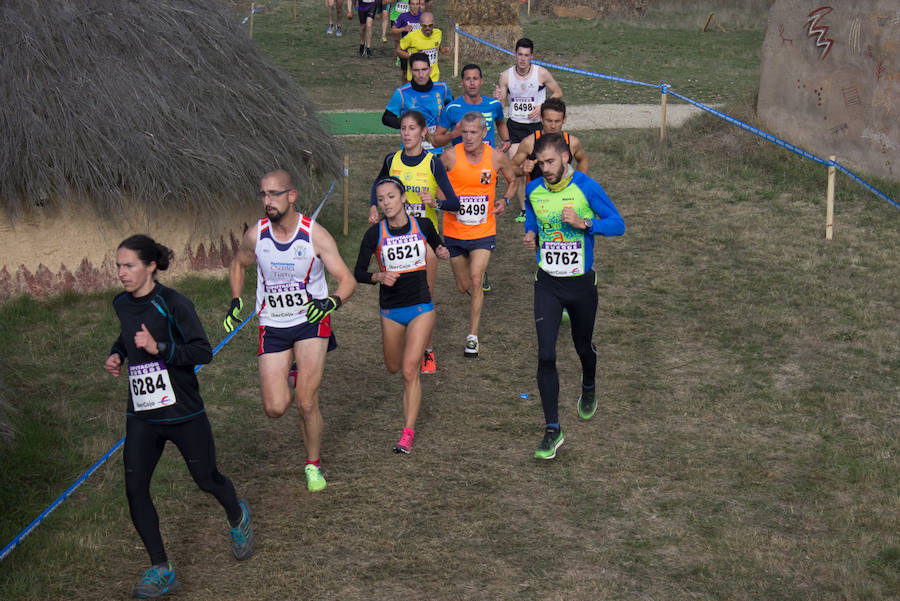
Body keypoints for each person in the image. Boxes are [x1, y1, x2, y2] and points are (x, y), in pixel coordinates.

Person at [105, 235, 254, 599]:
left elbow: (203, 351)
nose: (121, 273)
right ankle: (161, 568)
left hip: (183, 412)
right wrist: (117, 354)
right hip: (142, 415)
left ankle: (237, 514)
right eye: (118, 266)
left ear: (151, 265)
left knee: (207, 479)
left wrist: (161, 349)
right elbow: (128, 336)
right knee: (135, 490)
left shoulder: (173, 303)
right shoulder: (122, 304)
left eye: (129, 266)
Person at [224, 169, 356, 492]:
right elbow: (239, 263)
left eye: (273, 194)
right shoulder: (257, 235)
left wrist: (331, 303)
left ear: (291, 196)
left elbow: (347, 280)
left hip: (311, 321)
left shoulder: (315, 236)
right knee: (275, 407)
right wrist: (235, 300)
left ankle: (313, 465)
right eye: (263, 195)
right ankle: (295, 372)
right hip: (274, 324)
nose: (267, 201)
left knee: (306, 403)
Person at [522, 133, 624, 460]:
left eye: (550, 162)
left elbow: (618, 224)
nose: (546, 169)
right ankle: (553, 429)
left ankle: (589, 383)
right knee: (546, 354)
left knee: (583, 346)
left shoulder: (586, 186)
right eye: (540, 163)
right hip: (547, 284)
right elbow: (532, 210)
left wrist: (585, 223)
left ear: (566, 157)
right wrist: (531, 231)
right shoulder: (532, 189)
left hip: (581, 285)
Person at [354, 176, 450, 453]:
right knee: (394, 367)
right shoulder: (374, 234)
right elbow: (358, 272)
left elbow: (437, 245)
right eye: (381, 199)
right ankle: (412, 365)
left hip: (421, 306)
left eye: (391, 197)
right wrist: (379, 276)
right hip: (391, 311)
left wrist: (442, 250)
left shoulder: (423, 225)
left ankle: (407, 433)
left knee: (409, 370)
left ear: (403, 198)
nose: (386, 203)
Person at [369, 110, 459, 373]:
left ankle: (427, 350)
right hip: (394, 240)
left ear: (423, 133)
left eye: (411, 129)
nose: (406, 134)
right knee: (396, 290)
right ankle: (401, 339)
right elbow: (378, 184)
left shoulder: (433, 163)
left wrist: (437, 202)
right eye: (403, 129)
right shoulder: (391, 159)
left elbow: (454, 201)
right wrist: (374, 207)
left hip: (424, 240)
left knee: (425, 295)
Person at [440, 112, 517, 357]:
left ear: (484, 134)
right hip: (454, 231)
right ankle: (475, 294)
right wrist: (442, 200)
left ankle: (472, 337)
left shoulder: (496, 157)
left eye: (473, 132)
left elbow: (512, 181)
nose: (468, 137)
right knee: (464, 286)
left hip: (484, 230)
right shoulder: (450, 156)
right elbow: (434, 181)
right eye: (464, 132)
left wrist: (505, 200)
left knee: (476, 279)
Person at [494, 38, 563, 222]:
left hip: (536, 127)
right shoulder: (506, 76)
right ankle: (525, 209)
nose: (523, 59)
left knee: (541, 167)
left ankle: (545, 203)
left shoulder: (541, 74)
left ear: (531, 56)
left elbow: (558, 92)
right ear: (515, 55)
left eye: (526, 55)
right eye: (520, 55)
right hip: (515, 126)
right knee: (518, 169)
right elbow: (501, 106)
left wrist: (542, 107)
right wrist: (498, 98)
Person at [382, 52, 452, 155]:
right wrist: (409, 126)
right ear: (411, 71)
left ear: (430, 70)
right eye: (416, 70)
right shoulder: (402, 93)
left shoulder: (443, 89)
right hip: (411, 152)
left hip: (436, 151)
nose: (421, 74)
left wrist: (443, 128)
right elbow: (386, 118)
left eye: (424, 69)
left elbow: (452, 111)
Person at [432, 63, 510, 153]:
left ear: (481, 81)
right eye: (468, 79)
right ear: (462, 82)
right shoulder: (452, 108)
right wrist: (453, 134)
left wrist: (506, 140)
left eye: (475, 79)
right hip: (462, 164)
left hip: (487, 163)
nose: (472, 83)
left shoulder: (494, 104)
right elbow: (435, 141)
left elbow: (501, 124)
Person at [511, 98, 589, 181]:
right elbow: (511, 167)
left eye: (557, 121)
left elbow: (583, 159)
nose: (553, 126)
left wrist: (580, 181)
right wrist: (522, 171)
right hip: (537, 192)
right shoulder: (529, 143)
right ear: (541, 119)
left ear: (564, 119)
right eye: (549, 121)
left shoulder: (572, 142)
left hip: (564, 192)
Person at [397, 12, 449, 82]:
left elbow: (437, 45)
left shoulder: (438, 33)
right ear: (420, 24)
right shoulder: (412, 36)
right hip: (416, 79)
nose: (427, 28)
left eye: (430, 25)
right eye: (424, 26)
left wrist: (442, 49)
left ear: (434, 23)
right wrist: (412, 56)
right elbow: (398, 51)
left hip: (433, 78)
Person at [390, 0, 421, 83]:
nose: (415, 6)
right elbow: (393, 30)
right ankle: (404, 93)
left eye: (417, 4)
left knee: (418, 75)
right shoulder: (403, 16)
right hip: (406, 51)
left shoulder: (422, 17)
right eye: (413, 4)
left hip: (419, 50)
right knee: (405, 75)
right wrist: (404, 29)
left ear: (419, 5)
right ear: (409, 5)